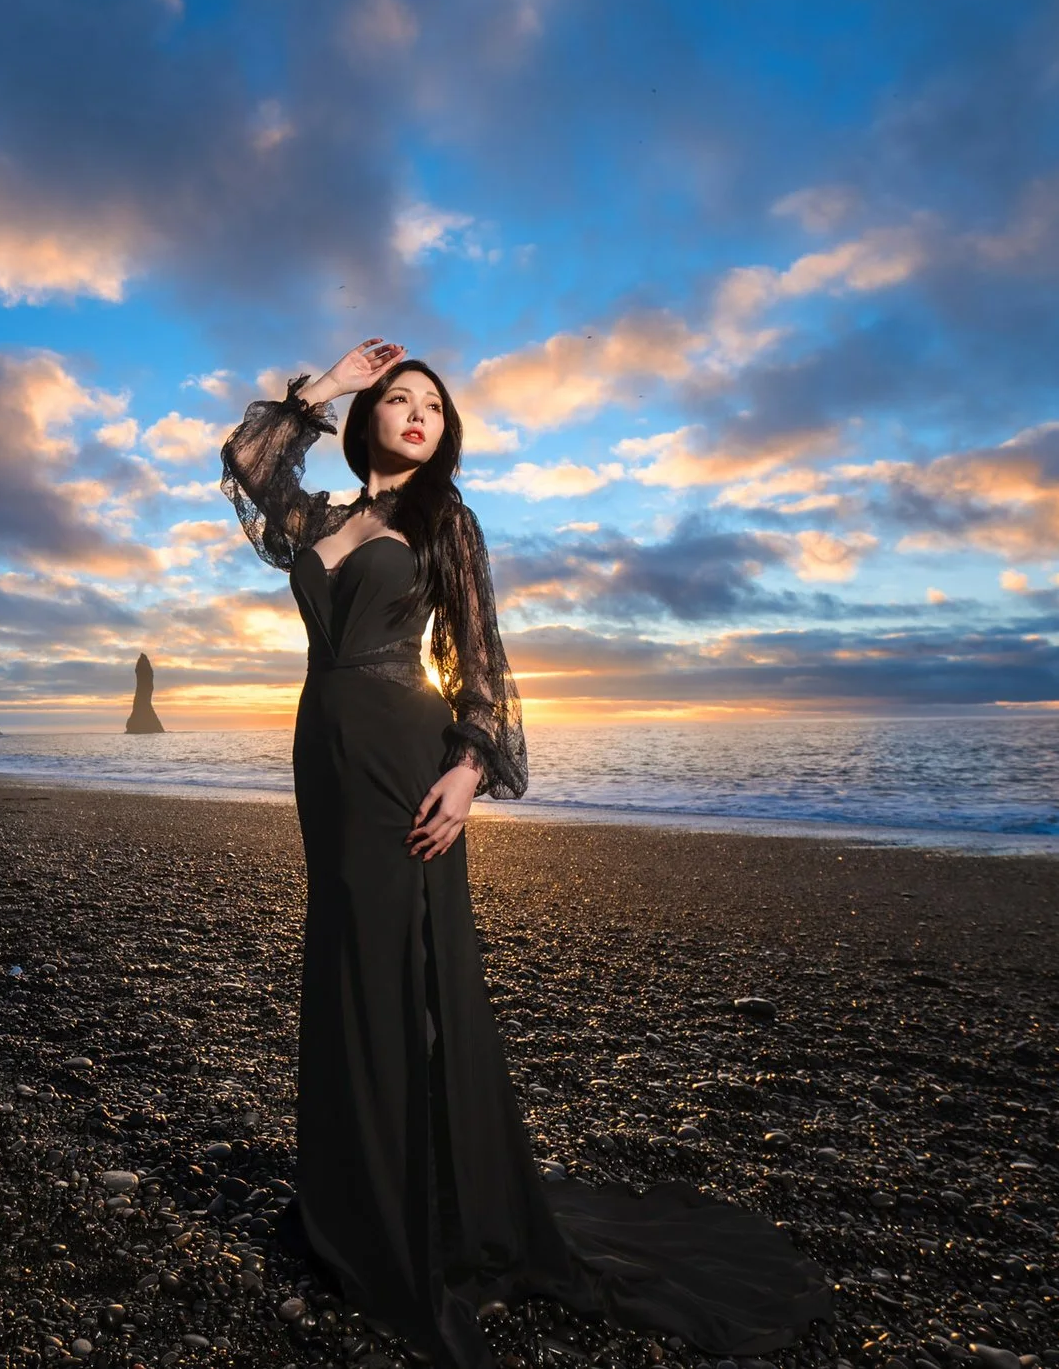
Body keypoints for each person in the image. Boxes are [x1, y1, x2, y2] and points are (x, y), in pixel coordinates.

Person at [219, 337, 832, 1368]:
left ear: (443, 432)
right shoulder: (318, 521)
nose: (415, 411)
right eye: (398, 399)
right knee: (342, 959)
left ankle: (418, 1209)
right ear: (371, 417)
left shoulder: (443, 522)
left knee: (397, 964)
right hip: (320, 754)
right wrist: (321, 387)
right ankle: (347, 1191)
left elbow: (480, 653)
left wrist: (467, 766)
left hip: (402, 753)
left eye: (430, 405)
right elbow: (249, 463)